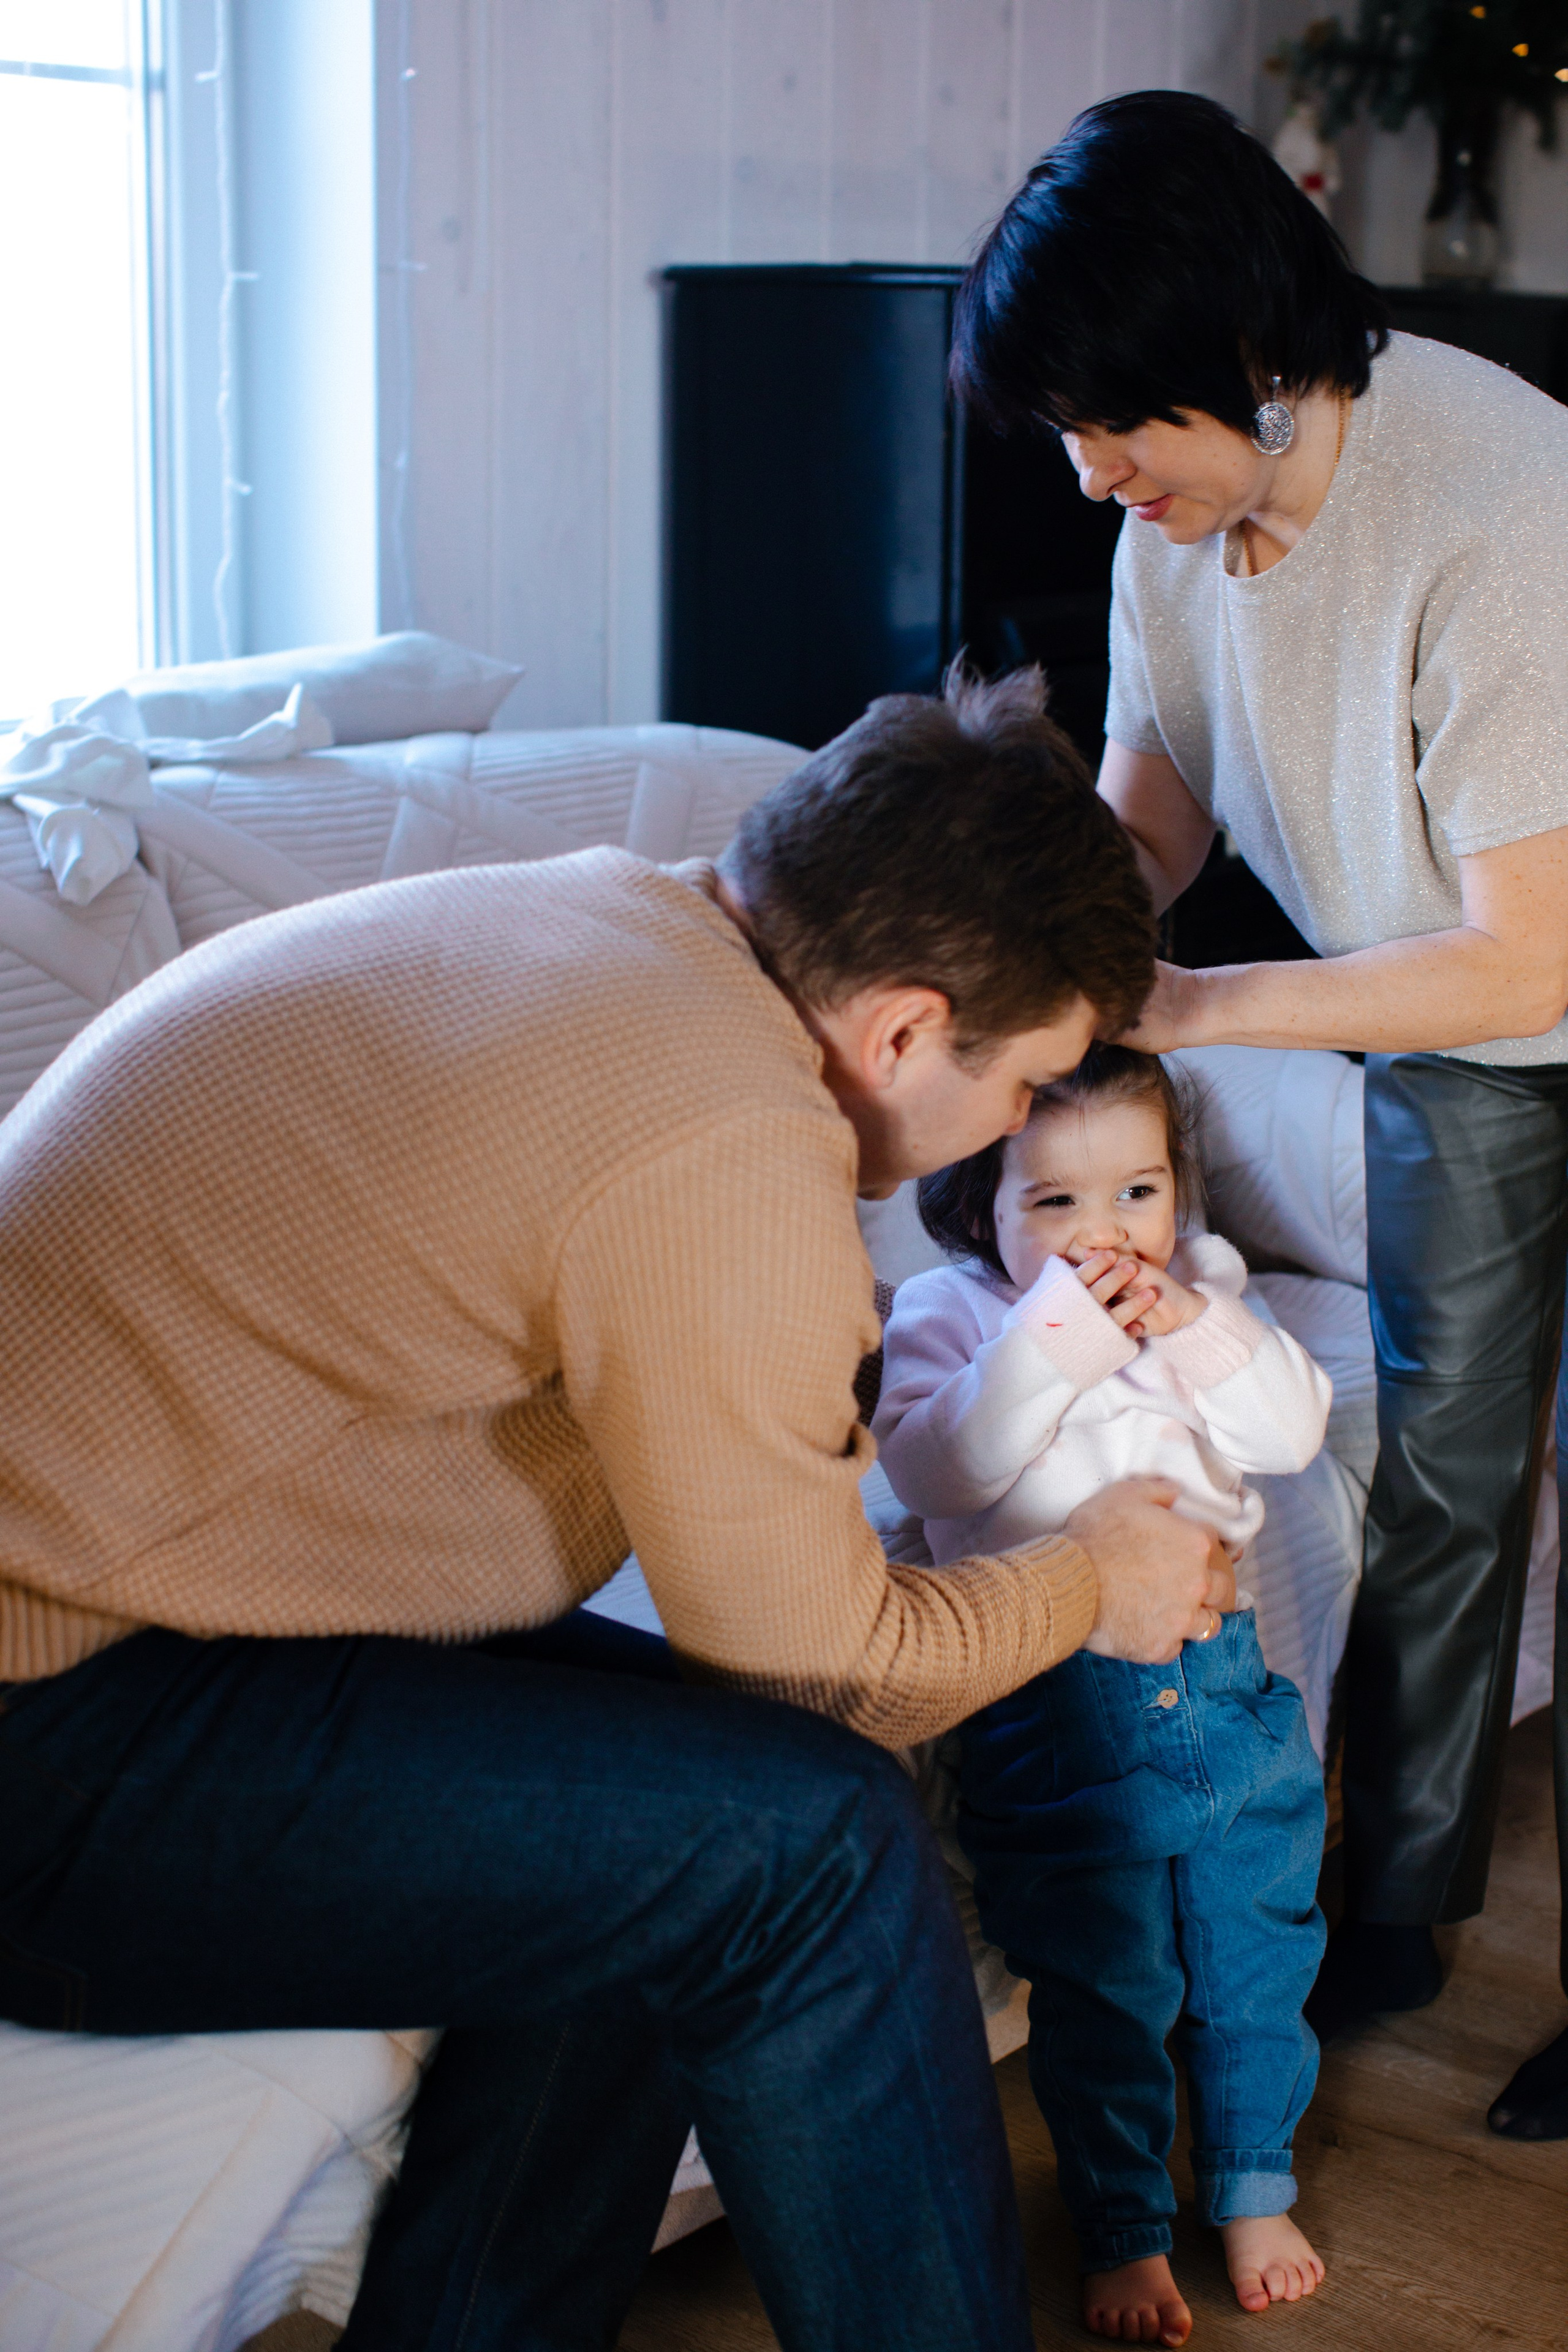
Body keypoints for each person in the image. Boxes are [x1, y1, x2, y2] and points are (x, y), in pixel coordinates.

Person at [0, 666, 1234, 2352]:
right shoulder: (723, 1129)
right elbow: (820, 1670)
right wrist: (1089, 1582)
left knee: (693, 1825)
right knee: (812, 1844)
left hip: (121, 1646)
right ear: (897, 1030)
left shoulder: (612, 931)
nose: (1013, 1129)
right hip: (48, 1737)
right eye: (1023, 1087)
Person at [951, 88, 1568, 2136]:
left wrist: (1199, 1005)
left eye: (1113, 420)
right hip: (1455, 1047)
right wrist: (1039, 962)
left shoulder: (1494, 503)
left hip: (1520, 978)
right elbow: (1157, 801)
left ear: (1246, 350)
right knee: (1453, 1480)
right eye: (1059, 425)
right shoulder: (1173, 522)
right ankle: (1391, 1906)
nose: (1083, 468)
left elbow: (1529, 959)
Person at [874, 1046, 1330, 2348]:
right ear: (978, 1208)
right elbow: (939, 1470)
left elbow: (1286, 1434)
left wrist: (1197, 1325)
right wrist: (1055, 1337)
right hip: (1054, 1705)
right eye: (1052, 1204)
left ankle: (1250, 2182)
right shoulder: (950, 1315)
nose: (1104, 1235)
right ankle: (1123, 2224)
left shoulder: (1207, 1290)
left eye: (1136, 1192)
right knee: (1105, 1985)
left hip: (1223, 1681)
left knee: (1256, 1954)